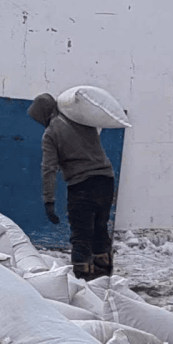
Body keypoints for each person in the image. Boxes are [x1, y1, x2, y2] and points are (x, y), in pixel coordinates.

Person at [28, 92, 116, 281]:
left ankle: (84, 280)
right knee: (100, 228)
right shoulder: (81, 120)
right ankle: (105, 278)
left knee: (81, 234)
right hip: (106, 180)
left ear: (43, 113)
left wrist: (48, 200)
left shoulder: (51, 133)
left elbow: (48, 169)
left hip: (82, 184)